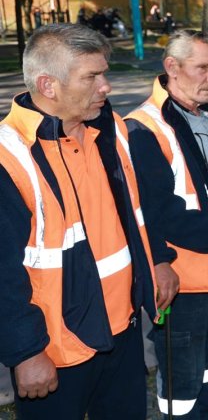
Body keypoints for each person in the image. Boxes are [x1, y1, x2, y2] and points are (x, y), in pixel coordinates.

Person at [0, 23, 158, 419]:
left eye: (104, 74)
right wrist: (26, 352)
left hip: (122, 332)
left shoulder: (110, 130)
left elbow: (134, 216)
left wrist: (157, 267)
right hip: (54, 352)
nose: (105, 87)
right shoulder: (10, 155)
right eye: (92, 76)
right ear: (48, 85)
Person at [126, 31, 208, 419]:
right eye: (203, 68)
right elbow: (159, 213)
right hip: (185, 284)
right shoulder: (143, 127)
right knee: (182, 391)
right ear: (172, 67)